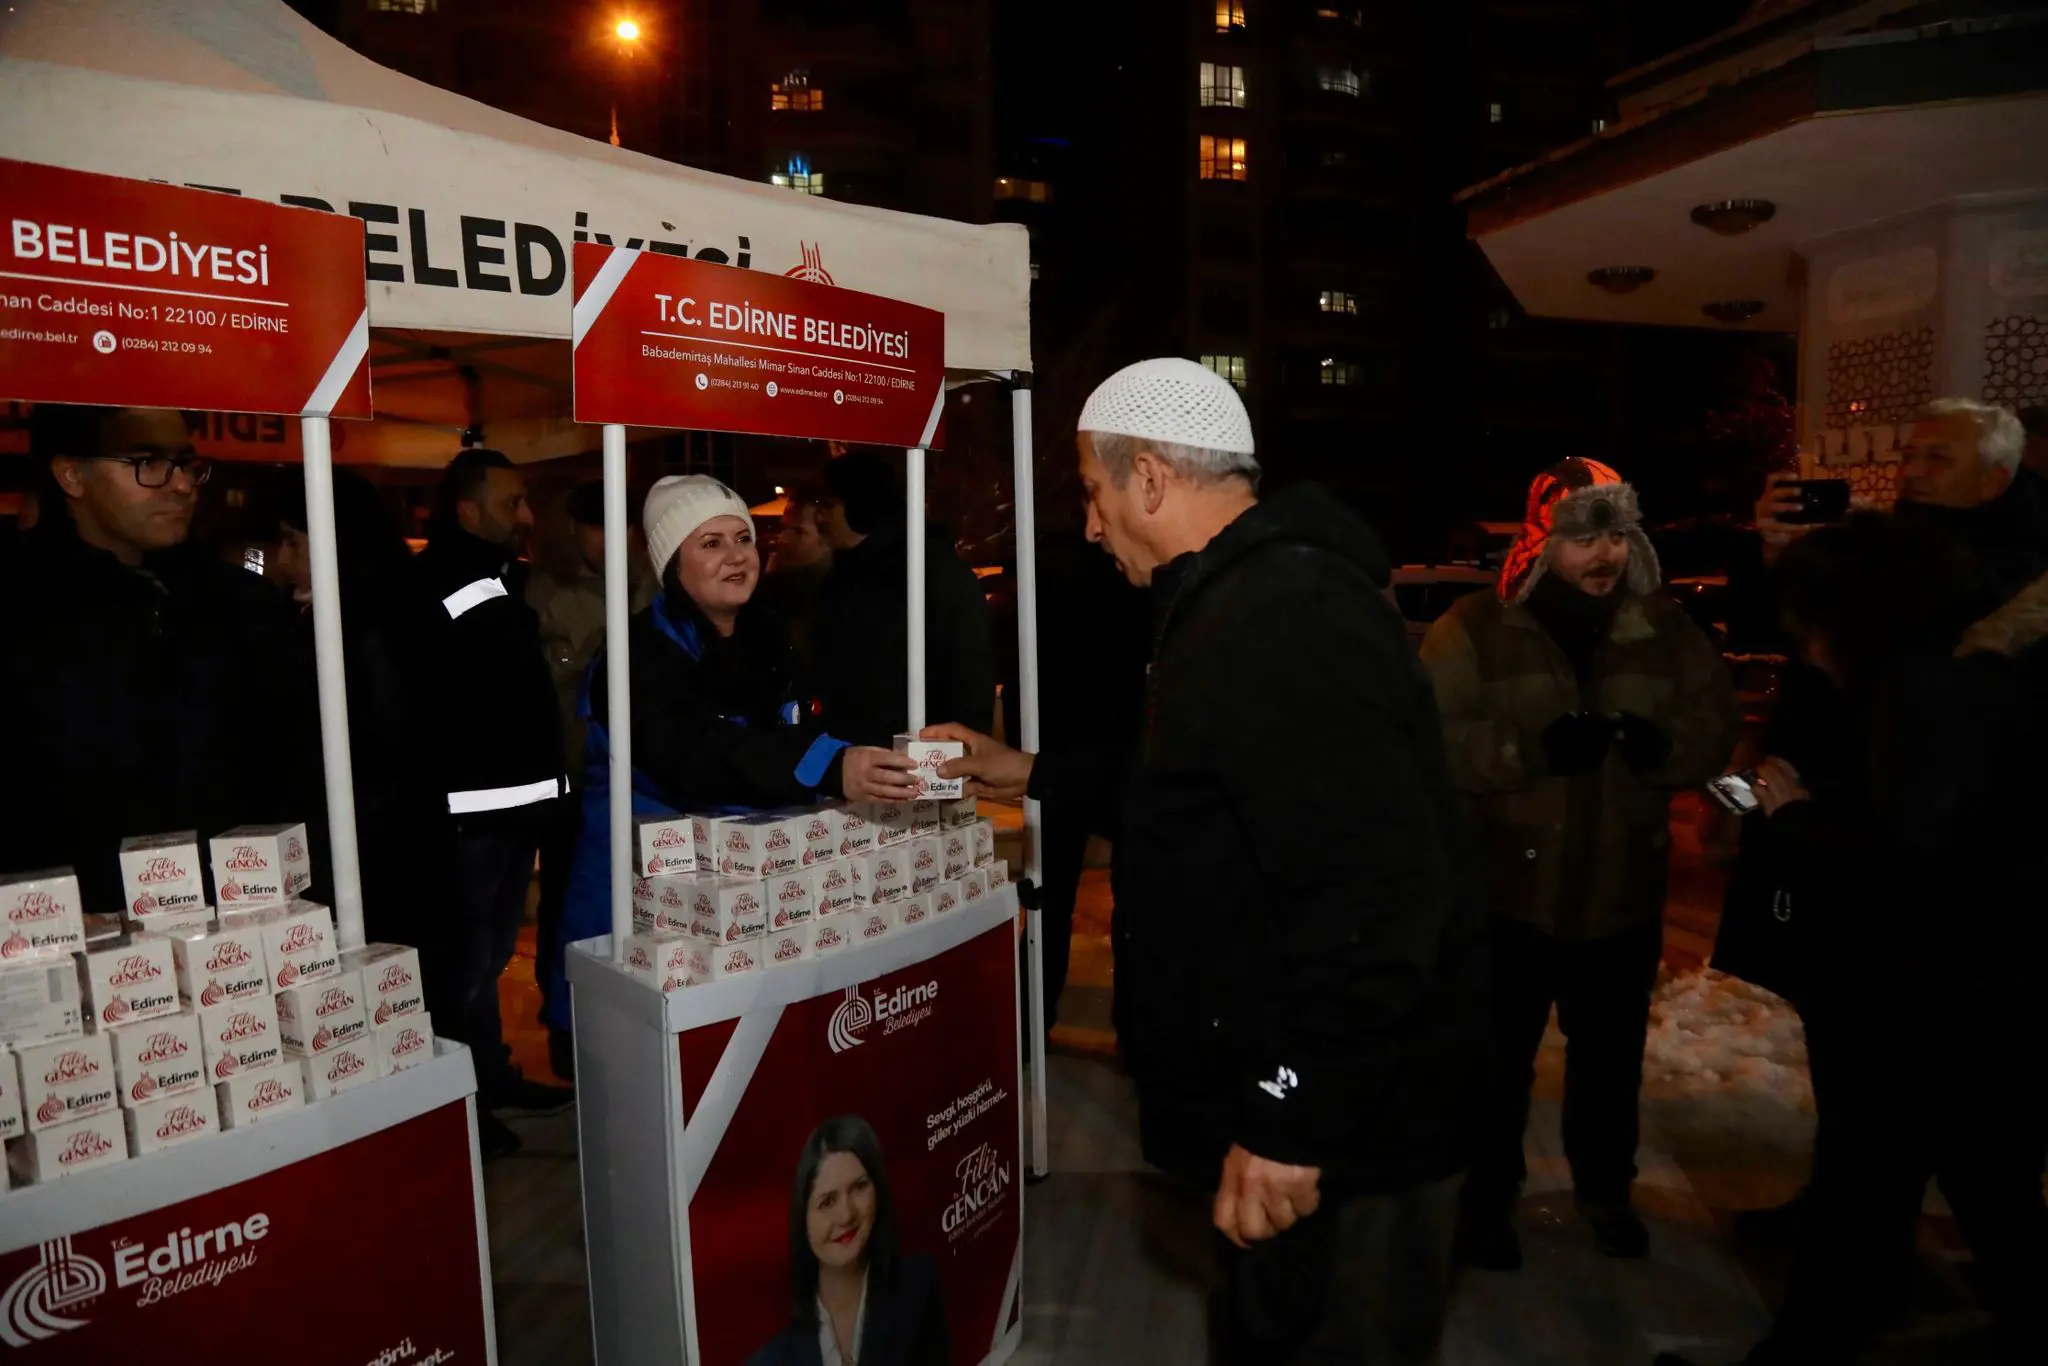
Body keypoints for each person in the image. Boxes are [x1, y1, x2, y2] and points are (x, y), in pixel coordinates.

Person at [926, 359, 1489, 1364]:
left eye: (1094, 497)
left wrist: (1287, 1115)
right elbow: (1206, 792)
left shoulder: (1283, 613)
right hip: (1321, 1120)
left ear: (1147, 478)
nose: (1091, 528)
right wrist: (1026, 767)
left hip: (1351, 1138)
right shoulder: (1235, 597)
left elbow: (1373, 892)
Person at [1661, 516, 2048, 1366]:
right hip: (1959, 987)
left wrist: (1784, 818)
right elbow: (1775, 772)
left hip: (1923, 989)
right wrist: (1736, 808)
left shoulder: (1930, 695)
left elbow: (1893, 846)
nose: (1805, 651)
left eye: (1812, 629)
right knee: (1976, 1182)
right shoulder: (1937, 677)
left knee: (1877, 1182)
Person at [1420, 457, 1740, 1269]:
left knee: (1609, 1067)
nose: (1605, 555)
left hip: (1620, 894)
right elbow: (1430, 742)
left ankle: (1605, 1191)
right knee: (1494, 1069)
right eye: (1583, 538)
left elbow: (1714, 724)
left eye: (1617, 537)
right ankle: (1484, 1203)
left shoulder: (1664, 630)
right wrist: (1527, 750)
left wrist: (1669, 750)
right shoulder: (1475, 628)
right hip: (1507, 896)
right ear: (1541, 541)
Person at [546, 477, 919, 1036]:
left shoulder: (767, 637)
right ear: (671, 562)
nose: (736, 557)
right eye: (711, 543)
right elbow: (694, 756)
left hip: (739, 898)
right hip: (641, 899)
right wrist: (823, 764)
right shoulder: (637, 656)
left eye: (742, 538)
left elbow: (796, 727)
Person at [0, 405, 319, 914]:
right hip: (67, 933)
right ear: (70, 475)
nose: (181, 486)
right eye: (147, 462)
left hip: (238, 928)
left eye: (187, 464)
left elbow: (290, 765)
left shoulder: (239, 603)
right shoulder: (19, 608)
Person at [395, 448, 571, 1156]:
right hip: (469, 813)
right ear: (468, 511)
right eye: (511, 504)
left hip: (505, 808)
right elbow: (464, 690)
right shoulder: (445, 584)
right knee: (460, 967)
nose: (525, 516)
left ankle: (490, 1077)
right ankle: (460, 1103)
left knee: (490, 958)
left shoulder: (497, 579)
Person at [274, 470, 444, 951]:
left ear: (335, 541)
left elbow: (384, 744)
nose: (283, 559)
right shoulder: (324, 616)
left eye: (292, 541)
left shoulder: (365, 626)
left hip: (366, 856)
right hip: (363, 848)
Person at [526, 480, 652, 1080]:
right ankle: (566, 1028)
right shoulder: (549, 592)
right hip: (576, 777)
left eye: (620, 526)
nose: (610, 540)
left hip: (650, 780)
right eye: (596, 526)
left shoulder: (656, 583)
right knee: (569, 906)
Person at [812, 450, 996, 740]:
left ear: (862, 507)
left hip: (921, 764)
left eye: (828, 504)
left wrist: (957, 760)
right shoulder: (840, 577)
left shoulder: (934, 575)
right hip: (851, 764)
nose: (819, 515)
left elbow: (970, 680)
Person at [747, 1115, 949, 1366]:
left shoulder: (919, 1289)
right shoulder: (768, 1360)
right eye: (827, 1202)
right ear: (802, 1220)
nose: (847, 1214)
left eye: (859, 1187)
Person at [757, 481, 834, 677]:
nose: (784, 539)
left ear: (830, 538)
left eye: (799, 531)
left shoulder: (846, 601)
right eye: (783, 528)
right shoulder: (769, 593)